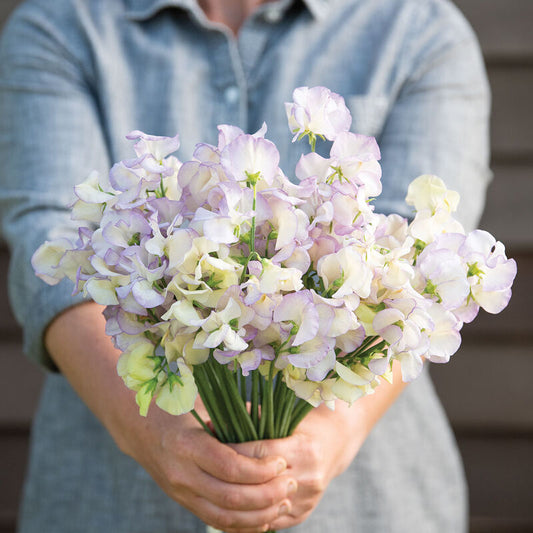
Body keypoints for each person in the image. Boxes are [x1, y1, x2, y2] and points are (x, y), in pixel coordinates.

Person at [0, 0, 491, 531]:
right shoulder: (61, 22)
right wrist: (150, 430)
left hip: (366, 501)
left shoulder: (419, 29)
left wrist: (324, 437)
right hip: (113, 496)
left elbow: (420, 262)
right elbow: (49, 232)